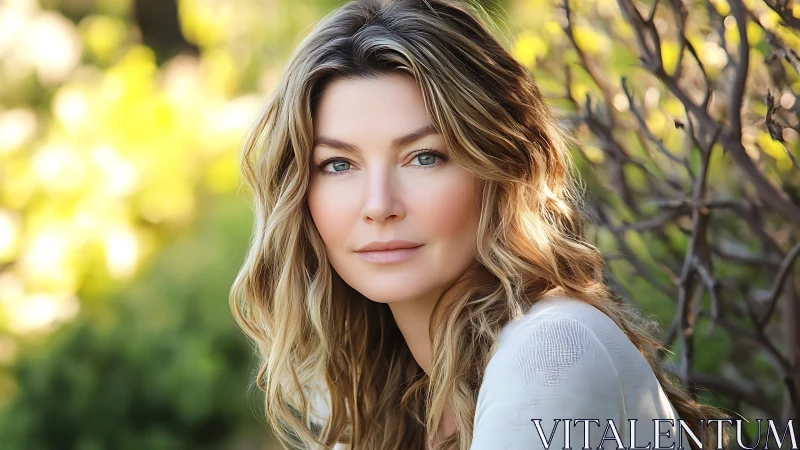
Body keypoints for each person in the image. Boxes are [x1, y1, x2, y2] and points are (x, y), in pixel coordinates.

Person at [229, 0, 732, 449]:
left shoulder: (548, 352)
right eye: (339, 164)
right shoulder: (393, 401)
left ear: (499, 168)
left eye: (424, 157)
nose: (379, 205)